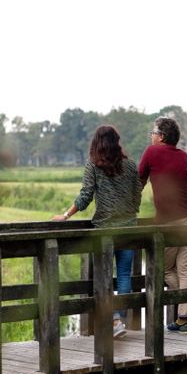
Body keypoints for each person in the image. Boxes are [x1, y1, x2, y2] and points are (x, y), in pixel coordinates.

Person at [53, 125, 141, 337]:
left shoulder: (93, 165)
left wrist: (66, 215)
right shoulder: (130, 165)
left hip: (104, 229)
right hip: (128, 228)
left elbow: (85, 197)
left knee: (103, 275)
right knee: (123, 275)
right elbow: (137, 193)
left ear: (97, 142)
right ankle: (118, 319)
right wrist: (130, 213)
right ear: (116, 142)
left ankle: (114, 321)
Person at [138, 116, 187, 334]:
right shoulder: (184, 156)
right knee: (185, 268)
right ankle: (185, 318)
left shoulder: (152, 152)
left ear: (161, 136)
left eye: (153, 132)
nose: (151, 136)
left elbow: (138, 181)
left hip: (171, 222)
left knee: (161, 266)